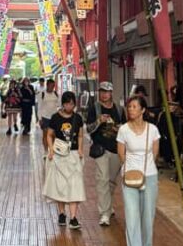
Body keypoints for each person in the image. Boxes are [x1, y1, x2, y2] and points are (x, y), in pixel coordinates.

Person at [117, 95, 160, 246]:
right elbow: (121, 154)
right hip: (129, 177)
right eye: (129, 107)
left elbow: (155, 153)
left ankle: (146, 245)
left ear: (143, 110)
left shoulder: (153, 130)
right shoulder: (123, 130)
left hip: (149, 176)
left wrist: (145, 169)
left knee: (148, 214)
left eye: (134, 107)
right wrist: (130, 170)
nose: (131, 109)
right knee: (132, 216)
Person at [43, 91, 85, 230]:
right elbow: (49, 135)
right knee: (59, 186)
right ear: (63, 104)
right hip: (59, 154)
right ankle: (62, 214)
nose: (69, 106)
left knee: (75, 185)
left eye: (72, 104)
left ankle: (73, 217)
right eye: (67, 104)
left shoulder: (78, 118)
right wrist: (51, 150)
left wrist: (80, 149)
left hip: (73, 154)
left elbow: (80, 135)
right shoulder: (55, 117)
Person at [86, 81, 125, 226]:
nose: (104, 94)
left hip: (116, 149)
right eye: (102, 91)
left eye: (107, 92)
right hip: (101, 149)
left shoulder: (119, 109)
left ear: (111, 93)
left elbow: (125, 128)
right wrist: (99, 121)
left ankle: (108, 206)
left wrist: (118, 128)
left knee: (111, 181)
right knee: (102, 179)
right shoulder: (95, 108)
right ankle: (104, 213)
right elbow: (88, 129)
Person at [38, 77, 59, 156]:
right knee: (45, 134)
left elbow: (59, 105)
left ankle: (51, 149)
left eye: (53, 86)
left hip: (54, 118)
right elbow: (39, 107)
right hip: (45, 117)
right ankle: (46, 151)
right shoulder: (42, 94)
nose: (52, 87)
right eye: (50, 86)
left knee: (53, 135)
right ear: (47, 85)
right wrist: (40, 119)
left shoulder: (56, 94)